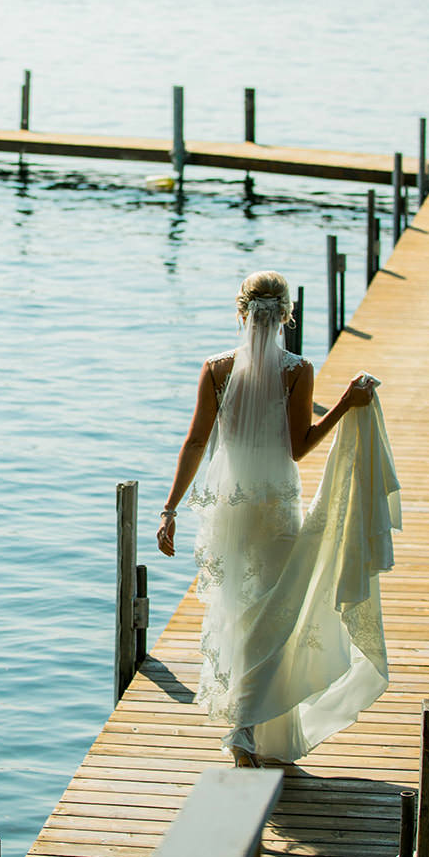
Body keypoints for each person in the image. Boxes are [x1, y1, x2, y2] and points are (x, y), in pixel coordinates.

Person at [156, 270, 398, 767]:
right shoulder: (297, 370)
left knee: (241, 614)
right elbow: (299, 446)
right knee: (275, 615)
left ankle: (249, 730)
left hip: (228, 511)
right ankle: (247, 727)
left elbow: (197, 442)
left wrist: (170, 508)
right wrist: (345, 407)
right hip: (275, 509)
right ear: (286, 314)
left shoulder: (217, 368)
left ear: (240, 312)